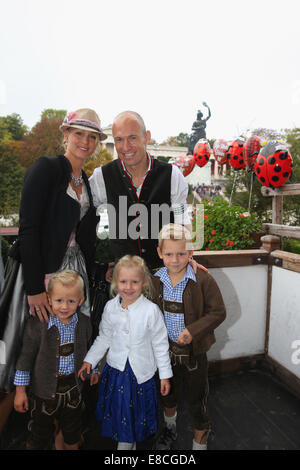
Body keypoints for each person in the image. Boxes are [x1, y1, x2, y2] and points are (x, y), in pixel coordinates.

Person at [0, 108, 106, 393]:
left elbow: (85, 236)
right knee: (20, 344)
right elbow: (29, 228)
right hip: (37, 269)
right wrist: (35, 287)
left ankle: (61, 416)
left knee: (63, 344)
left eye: (92, 136)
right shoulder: (47, 168)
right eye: (79, 133)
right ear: (66, 134)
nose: (85, 141)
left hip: (73, 271)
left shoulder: (87, 181)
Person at [78, 255, 173, 451]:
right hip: (117, 375)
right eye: (123, 281)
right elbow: (103, 338)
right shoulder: (110, 308)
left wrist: (165, 376)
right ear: (115, 282)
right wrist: (90, 360)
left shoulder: (151, 311)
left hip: (141, 377)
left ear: (144, 282)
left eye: (134, 282)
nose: (128, 287)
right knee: (124, 421)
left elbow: (160, 345)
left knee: (133, 421)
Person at [152, 223, 226, 451]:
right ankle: (170, 427)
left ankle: (199, 438)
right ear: (160, 253)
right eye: (169, 254)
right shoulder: (154, 280)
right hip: (166, 353)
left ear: (191, 253)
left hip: (194, 353)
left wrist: (192, 331)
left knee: (197, 397)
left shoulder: (203, 279)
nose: (175, 260)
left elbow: (218, 312)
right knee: (167, 392)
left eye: (181, 254)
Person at [89, 110, 191, 271]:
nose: (125, 147)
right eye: (119, 140)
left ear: (147, 137)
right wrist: (97, 266)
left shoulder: (172, 175)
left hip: (166, 275)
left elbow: (183, 222)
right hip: (124, 282)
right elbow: (84, 221)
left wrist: (189, 256)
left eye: (132, 138)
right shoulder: (101, 176)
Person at [13, 270, 99, 450]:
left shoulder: (84, 323)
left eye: (71, 301)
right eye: (59, 300)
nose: (65, 306)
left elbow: (90, 349)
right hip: (43, 395)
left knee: (72, 433)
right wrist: (20, 391)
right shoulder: (38, 324)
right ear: (49, 299)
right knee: (39, 435)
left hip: (73, 392)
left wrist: (94, 369)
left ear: (81, 300)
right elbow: (25, 359)